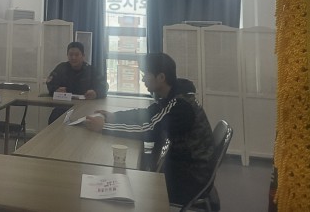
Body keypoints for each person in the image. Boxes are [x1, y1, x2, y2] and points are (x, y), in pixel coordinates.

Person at [85, 52, 214, 205]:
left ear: (161, 77)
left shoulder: (181, 106)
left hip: (191, 178)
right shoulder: (172, 96)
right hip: (182, 165)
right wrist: (114, 116)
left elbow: (148, 130)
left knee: (131, 184)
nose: (142, 79)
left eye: (145, 74)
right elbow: (147, 114)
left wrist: (105, 127)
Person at [46, 41, 108, 124]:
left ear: (83, 56)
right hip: (64, 107)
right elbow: (50, 83)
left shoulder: (91, 70)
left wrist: (96, 93)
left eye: (77, 55)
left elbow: (104, 86)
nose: (73, 57)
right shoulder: (61, 68)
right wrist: (56, 89)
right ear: (67, 55)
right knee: (54, 119)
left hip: (85, 107)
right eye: (71, 55)